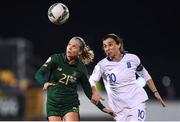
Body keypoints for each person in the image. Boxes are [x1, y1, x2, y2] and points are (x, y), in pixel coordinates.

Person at [35, 36, 115, 121]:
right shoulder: (55, 59)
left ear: (80, 51)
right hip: (53, 105)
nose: (69, 48)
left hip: (70, 104)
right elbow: (38, 74)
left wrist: (102, 107)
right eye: (69, 45)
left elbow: (88, 90)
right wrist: (44, 82)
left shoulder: (81, 68)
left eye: (74, 46)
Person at [89, 33, 166, 121]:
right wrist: (95, 92)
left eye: (110, 45)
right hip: (118, 109)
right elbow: (91, 80)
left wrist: (155, 92)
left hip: (136, 103)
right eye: (105, 46)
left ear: (118, 45)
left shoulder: (132, 59)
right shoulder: (101, 65)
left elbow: (145, 74)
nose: (107, 48)